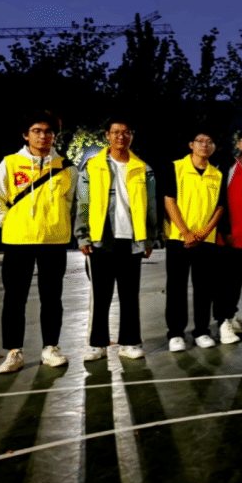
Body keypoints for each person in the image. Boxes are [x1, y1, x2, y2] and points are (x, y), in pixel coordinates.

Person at [0, 110, 77, 373]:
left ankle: (51, 348)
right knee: (15, 299)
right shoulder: (10, 163)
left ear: (55, 136)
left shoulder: (67, 167)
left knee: (52, 298)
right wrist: (10, 223)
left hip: (54, 240)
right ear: (26, 135)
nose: (43, 136)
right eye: (37, 131)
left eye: (48, 132)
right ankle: (14, 352)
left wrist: (70, 226)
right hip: (18, 241)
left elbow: (77, 202)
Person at [75, 118, 156, 361]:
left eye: (126, 132)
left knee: (130, 295)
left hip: (132, 240)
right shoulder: (92, 166)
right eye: (116, 132)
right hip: (101, 239)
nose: (121, 136)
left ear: (132, 136)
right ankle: (96, 344)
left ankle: (130, 342)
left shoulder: (143, 168)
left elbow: (151, 205)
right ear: (107, 136)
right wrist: (82, 235)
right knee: (100, 296)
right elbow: (83, 202)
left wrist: (149, 238)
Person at [163, 129, 225, 351]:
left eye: (209, 142)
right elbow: (169, 200)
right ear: (191, 144)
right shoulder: (176, 167)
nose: (204, 145)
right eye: (200, 141)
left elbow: (220, 207)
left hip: (206, 240)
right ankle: (175, 333)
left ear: (214, 147)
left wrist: (205, 231)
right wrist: (185, 232)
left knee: (204, 287)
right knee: (176, 287)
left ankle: (201, 331)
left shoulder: (217, 174)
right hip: (179, 239)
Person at [212, 129, 242, 345]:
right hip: (227, 235)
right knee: (223, 282)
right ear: (239, 144)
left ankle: (231, 316)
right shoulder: (229, 166)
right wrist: (224, 230)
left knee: (236, 280)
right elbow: (220, 200)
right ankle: (222, 323)